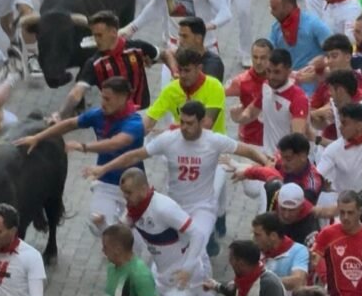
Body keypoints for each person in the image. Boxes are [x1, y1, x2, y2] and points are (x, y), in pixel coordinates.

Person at [84, 100, 270, 257]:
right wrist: (104, 168)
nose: (184, 128)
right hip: (174, 205)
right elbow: (134, 156)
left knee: (196, 248)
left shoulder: (214, 140)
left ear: (202, 122)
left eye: (190, 123)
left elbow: (247, 150)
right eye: (182, 122)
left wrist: (267, 164)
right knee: (165, 254)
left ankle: (202, 283)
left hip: (202, 207)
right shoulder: (169, 139)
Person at [117, 168, 226, 296]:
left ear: (143, 188)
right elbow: (124, 226)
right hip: (159, 274)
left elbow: (197, 234)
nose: (126, 198)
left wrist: (188, 268)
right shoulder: (135, 209)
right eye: (124, 193)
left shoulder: (163, 208)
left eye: (129, 193)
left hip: (183, 279)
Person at [15, 76, 145, 232]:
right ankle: (115, 232)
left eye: (107, 99)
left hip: (134, 185)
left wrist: (83, 146)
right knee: (98, 225)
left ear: (122, 98)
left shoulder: (134, 123)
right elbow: (70, 124)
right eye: (102, 97)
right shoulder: (98, 115)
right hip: (106, 182)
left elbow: (115, 143)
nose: (102, 103)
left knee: (137, 233)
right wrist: (37, 137)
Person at [59, 10, 172, 117]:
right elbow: (76, 93)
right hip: (114, 120)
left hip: (141, 114)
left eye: (100, 35)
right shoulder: (94, 63)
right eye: (94, 35)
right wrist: (60, 115)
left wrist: (174, 70)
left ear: (113, 32)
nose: (96, 40)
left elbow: (164, 55)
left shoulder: (137, 48)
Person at [234, 47, 310, 157]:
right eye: (268, 71)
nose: (271, 77)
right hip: (268, 156)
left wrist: (280, 160)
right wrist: (238, 117)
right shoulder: (266, 86)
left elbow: (297, 141)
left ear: (289, 71)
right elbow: (252, 112)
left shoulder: (298, 98)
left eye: (277, 72)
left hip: (285, 161)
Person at [268, 0, 332, 95]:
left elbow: (334, 50)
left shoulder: (314, 25)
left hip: (313, 89)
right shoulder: (276, 28)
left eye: (275, 8)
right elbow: (269, 53)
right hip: (286, 86)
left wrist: (321, 62)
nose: (271, 12)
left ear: (288, 7)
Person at [233, 132, 325, 208]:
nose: (283, 163)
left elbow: (299, 210)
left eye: (288, 159)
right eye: (282, 157)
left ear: (303, 156)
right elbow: (266, 168)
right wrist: (246, 172)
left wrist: (250, 172)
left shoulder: (312, 183)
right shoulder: (281, 160)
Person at [226, 38, 272, 146]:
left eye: (263, 58)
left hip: (275, 140)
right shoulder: (241, 81)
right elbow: (217, 91)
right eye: (255, 57)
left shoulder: (279, 78)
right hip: (249, 141)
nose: (258, 62)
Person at [252, 211, 309, 295]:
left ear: (273, 236)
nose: (254, 239)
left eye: (257, 235)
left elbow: (298, 281)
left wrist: (263, 282)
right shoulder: (257, 250)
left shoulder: (299, 251)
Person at [177, 16, 225, 81]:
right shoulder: (183, 53)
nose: (180, 41)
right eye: (180, 36)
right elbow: (167, 53)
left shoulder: (212, 65)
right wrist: (174, 70)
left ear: (198, 38)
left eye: (185, 36)